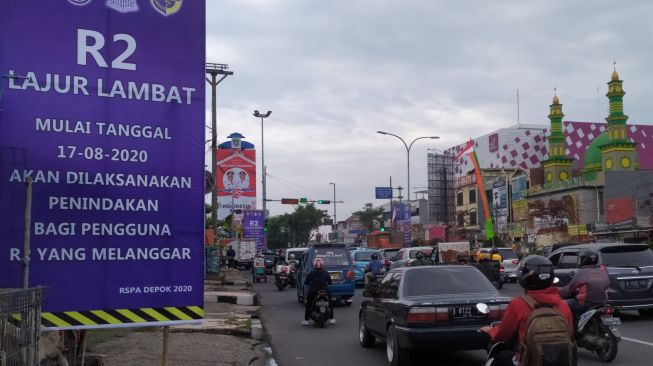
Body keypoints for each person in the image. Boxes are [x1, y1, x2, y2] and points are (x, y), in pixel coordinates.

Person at [480, 255, 574, 366]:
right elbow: (570, 333)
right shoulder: (563, 305)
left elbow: (502, 335)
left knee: (501, 357)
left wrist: (490, 330)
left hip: (526, 361)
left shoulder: (518, 304)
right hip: (561, 361)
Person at [559, 250, 610, 324]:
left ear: (583, 260)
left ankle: (570, 327)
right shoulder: (603, 271)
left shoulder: (582, 272)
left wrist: (559, 291)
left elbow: (569, 289)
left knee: (562, 304)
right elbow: (607, 284)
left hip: (586, 303)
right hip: (602, 302)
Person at [303, 257, 335, 326]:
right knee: (330, 303)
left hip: (313, 290)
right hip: (325, 290)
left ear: (314, 265)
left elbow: (306, 282)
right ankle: (332, 319)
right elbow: (330, 282)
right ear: (322, 265)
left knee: (308, 304)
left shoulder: (311, 273)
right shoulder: (326, 272)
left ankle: (306, 320)